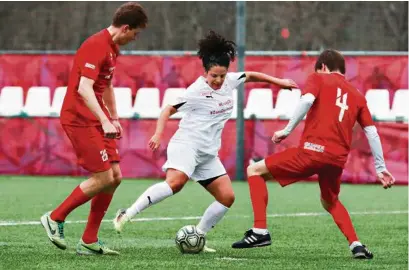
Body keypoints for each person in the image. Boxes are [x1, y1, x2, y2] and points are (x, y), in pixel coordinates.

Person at [113, 31, 298, 251]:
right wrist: (157, 134)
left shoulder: (229, 81)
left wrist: (281, 82)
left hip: (207, 153)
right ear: (205, 73)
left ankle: (198, 237)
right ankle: (128, 213)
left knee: (227, 197)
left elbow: (249, 75)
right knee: (176, 183)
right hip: (187, 145)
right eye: (214, 76)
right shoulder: (196, 91)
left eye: (222, 75)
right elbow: (166, 110)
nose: (219, 80)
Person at [231, 49, 395, 259]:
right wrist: (380, 168)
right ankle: (356, 245)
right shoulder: (358, 96)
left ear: (323, 67)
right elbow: (371, 132)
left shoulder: (318, 78)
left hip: (312, 152)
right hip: (336, 160)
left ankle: (260, 231)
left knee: (254, 170)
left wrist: (286, 130)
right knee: (330, 201)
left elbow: (307, 101)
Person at [40, 2, 148, 255]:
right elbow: (83, 88)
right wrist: (104, 120)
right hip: (79, 118)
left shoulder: (112, 49)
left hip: (96, 118)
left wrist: (115, 117)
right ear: (125, 28)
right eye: (136, 32)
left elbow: (106, 85)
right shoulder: (96, 45)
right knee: (102, 178)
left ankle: (89, 240)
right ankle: (55, 217)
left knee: (115, 178)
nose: (136, 37)